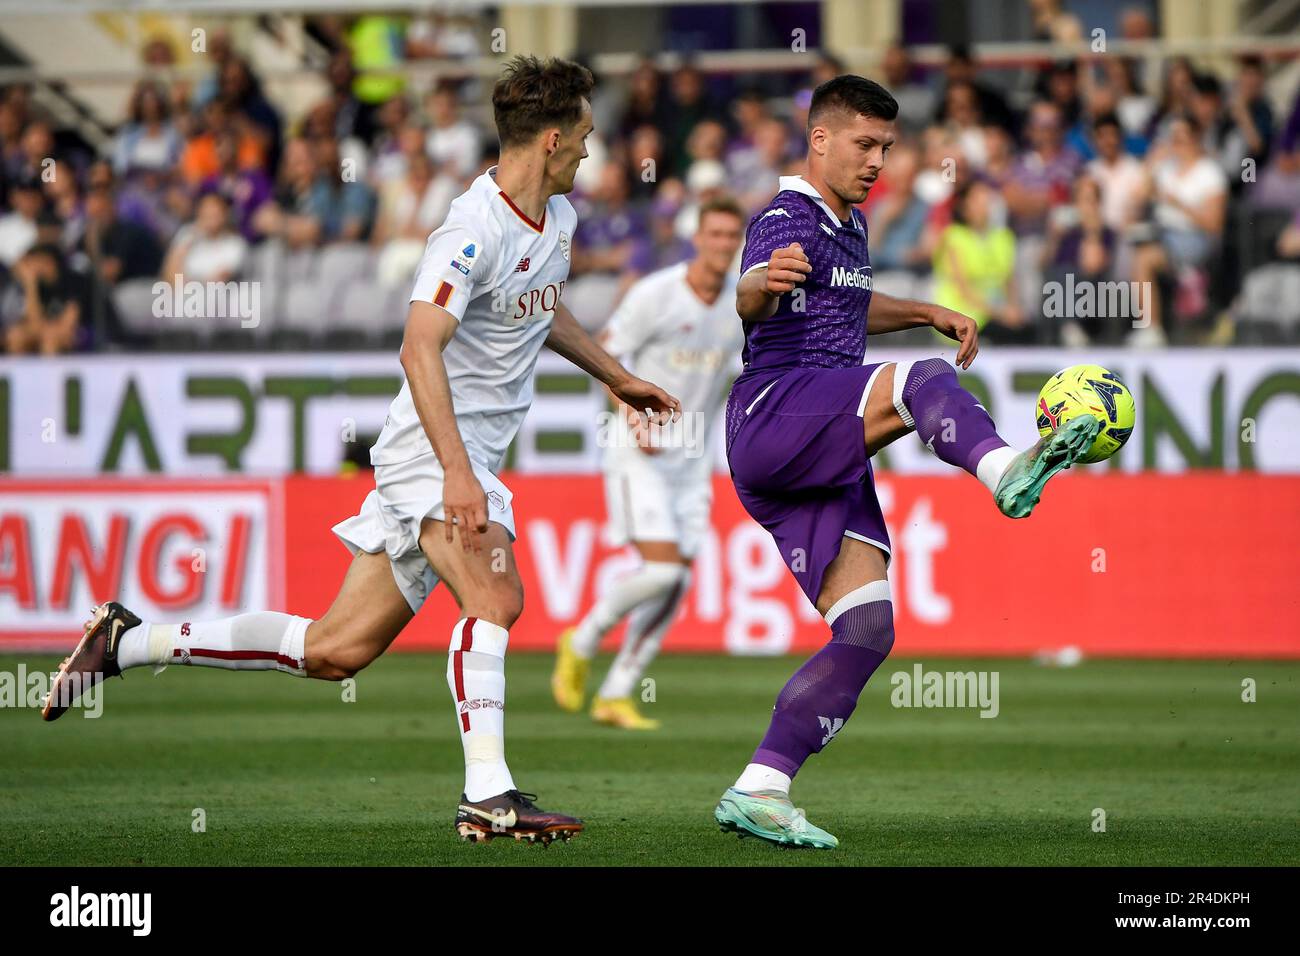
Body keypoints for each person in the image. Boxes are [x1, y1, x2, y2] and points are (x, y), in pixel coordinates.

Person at [41, 55, 680, 847]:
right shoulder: (469, 229)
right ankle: (488, 794)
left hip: (459, 458)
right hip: (432, 454)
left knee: (334, 651)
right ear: (551, 140)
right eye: (583, 135)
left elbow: (541, 313)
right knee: (497, 600)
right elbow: (419, 349)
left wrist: (618, 377)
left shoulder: (559, 221)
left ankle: (126, 641)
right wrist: (455, 472)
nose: (593, 150)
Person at [716, 75, 1101, 849]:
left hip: (816, 450)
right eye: (864, 144)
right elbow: (750, 291)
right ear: (819, 138)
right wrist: (762, 284)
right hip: (776, 414)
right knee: (926, 379)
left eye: (886, 148)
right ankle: (1003, 473)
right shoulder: (786, 215)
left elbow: (849, 306)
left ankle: (761, 786)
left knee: (865, 629)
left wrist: (924, 308)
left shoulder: (849, 226)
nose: (876, 161)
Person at [551, 195, 746, 730]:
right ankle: (583, 637)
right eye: (716, 234)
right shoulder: (655, 294)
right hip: (637, 451)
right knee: (661, 570)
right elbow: (609, 358)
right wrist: (633, 415)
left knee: (677, 582)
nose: (724, 245)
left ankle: (615, 694)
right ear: (697, 237)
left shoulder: (740, 304)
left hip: (691, 459)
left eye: (733, 237)